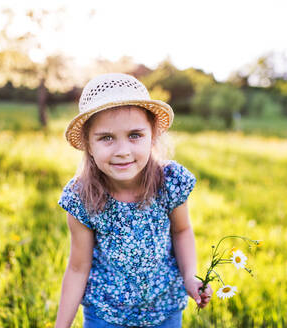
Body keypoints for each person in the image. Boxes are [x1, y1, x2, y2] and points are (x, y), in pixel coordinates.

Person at [55, 73, 212, 328]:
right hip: (105, 314)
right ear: (88, 144)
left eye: (135, 135)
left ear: (152, 135)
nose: (123, 151)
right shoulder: (82, 197)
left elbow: (182, 231)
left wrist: (189, 277)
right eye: (106, 137)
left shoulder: (169, 182)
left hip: (164, 310)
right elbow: (77, 268)